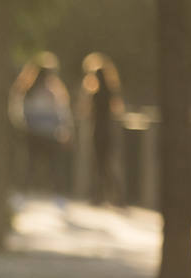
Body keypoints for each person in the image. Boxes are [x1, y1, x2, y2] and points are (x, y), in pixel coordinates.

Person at [9, 52, 73, 204]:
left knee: (33, 165)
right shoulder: (49, 91)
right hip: (45, 134)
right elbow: (61, 113)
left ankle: (25, 194)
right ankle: (56, 196)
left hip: (37, 134)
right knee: (49, 166)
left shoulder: (31, 90)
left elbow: (23, 113)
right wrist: (64, 129)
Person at [81, 53, 124, 206]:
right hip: (109, 131)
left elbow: (86, 112)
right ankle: (115, 196)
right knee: (107, 165)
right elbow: (117, 111)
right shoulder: (111, 92)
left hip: (98, 131)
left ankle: (99, 196)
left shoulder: (95, 94)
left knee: (99, 165)